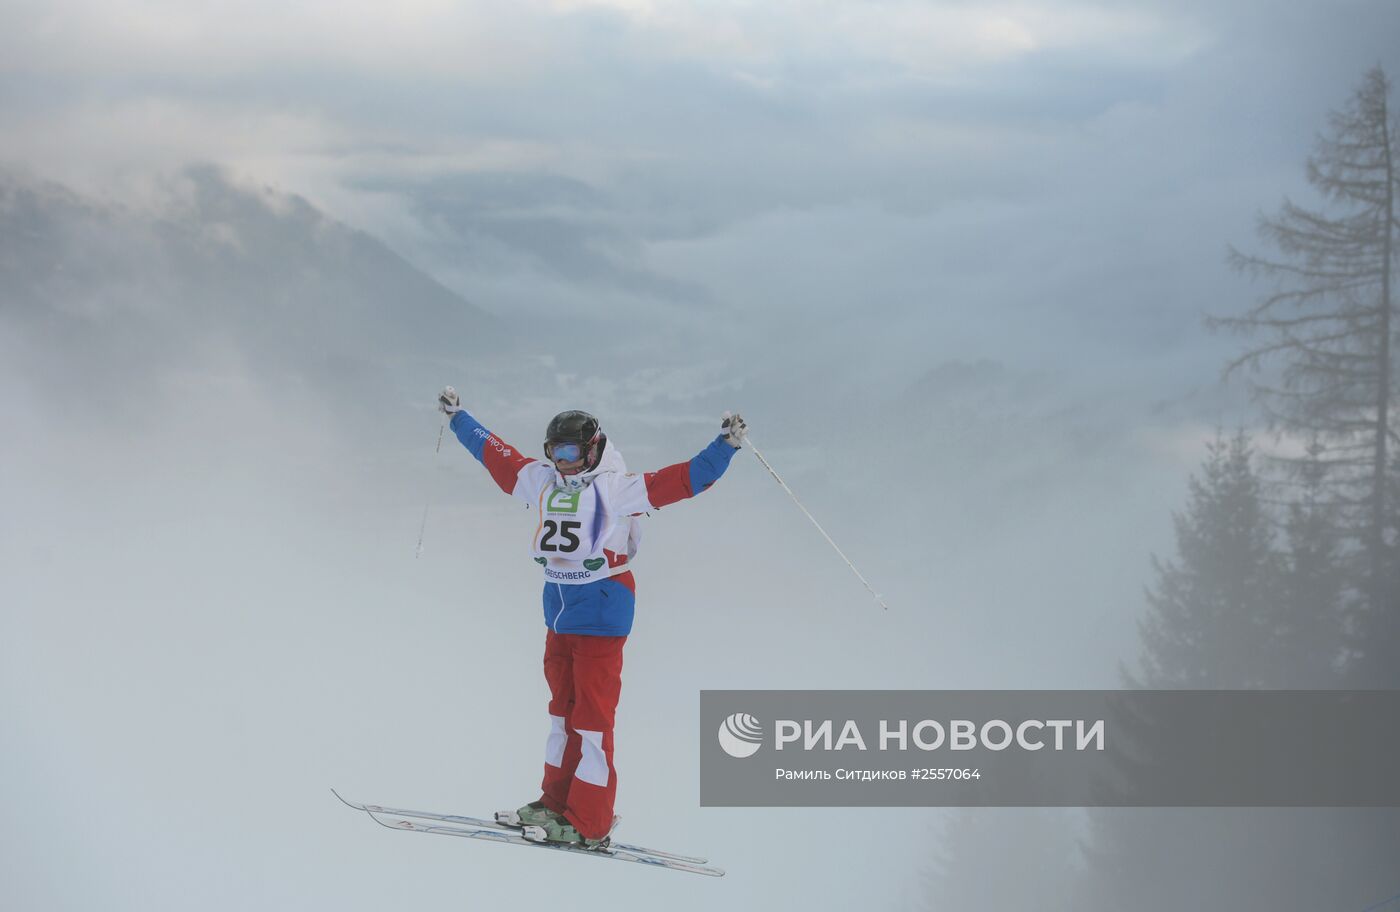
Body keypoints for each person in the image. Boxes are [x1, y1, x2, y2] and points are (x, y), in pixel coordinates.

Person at [437, 387, 746, 848]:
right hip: (559, 611)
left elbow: (684, 480)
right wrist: (459, 418)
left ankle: (590, 822)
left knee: (593, 722)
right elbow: (495, 454)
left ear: (593, 448)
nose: (562, 462)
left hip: (601, 609)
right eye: (554, 452)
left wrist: (724, 447)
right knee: (562, 715)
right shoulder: (540, 479)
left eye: (571, 452)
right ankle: (555, 803)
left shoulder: (617, 488)